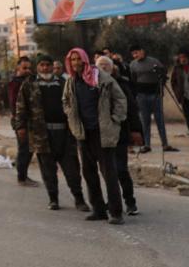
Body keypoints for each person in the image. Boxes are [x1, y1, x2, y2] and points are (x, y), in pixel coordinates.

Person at [62, 47, 127, 224]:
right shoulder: (71, 81)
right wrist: (70, 116)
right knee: (89, 173)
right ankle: (98, 210)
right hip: (83, 134)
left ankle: (116, 212)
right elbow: (66, 101)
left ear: (85, 60)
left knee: (109, 174)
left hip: (102, 132)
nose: (76, 63)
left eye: (78, 59)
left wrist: (115, 119)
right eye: (72, 59)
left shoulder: (101, 77)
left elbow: (120, 98)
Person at [12, 56, 86, 211]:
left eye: (48, 65)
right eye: (42, 65)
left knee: (72, 169)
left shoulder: (63, 83)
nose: (45, 68)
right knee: (48, 170)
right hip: (41, 135)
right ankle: (53, 199)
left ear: (53, 67)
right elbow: (20, 108)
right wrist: (20, 127)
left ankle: (79, 199)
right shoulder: (29, 85)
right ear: (37, 67)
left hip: (65, 134)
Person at [96, 54, 140, 217]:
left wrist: (136, 131)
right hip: (101, 135)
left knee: (121, 169)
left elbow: (132, 109)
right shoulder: (93, 84)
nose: (103, 68)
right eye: (100, 65)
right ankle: (114, 202)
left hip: (119, 133)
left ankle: (130, 201)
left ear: (112, 67)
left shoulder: (121, 84)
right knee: (107, 171)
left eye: (106, 65)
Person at [126, 45, 171, 153]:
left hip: (155, 95)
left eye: (137, 52)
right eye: (133, 54)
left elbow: (163, 75)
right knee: (144, 121)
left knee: (159, 120)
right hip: (141, 96)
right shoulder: (132, 65)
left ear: (142, 51)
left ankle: (165, 144)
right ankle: (147, 145)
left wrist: (160, 87)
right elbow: (133, 80)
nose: (135, 55)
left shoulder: (154, 61)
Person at [4, 57, 38, 185]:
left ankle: (23, 175)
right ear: (18, 68)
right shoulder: (15, 83)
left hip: (30, 120)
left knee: (28, 149)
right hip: (21, 121)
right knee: (25, 149)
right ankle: (22, 177)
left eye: (29, 68)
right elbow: (14, 106)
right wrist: (20, 126)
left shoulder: (29, 81)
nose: (27, 70)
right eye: (24, 68)